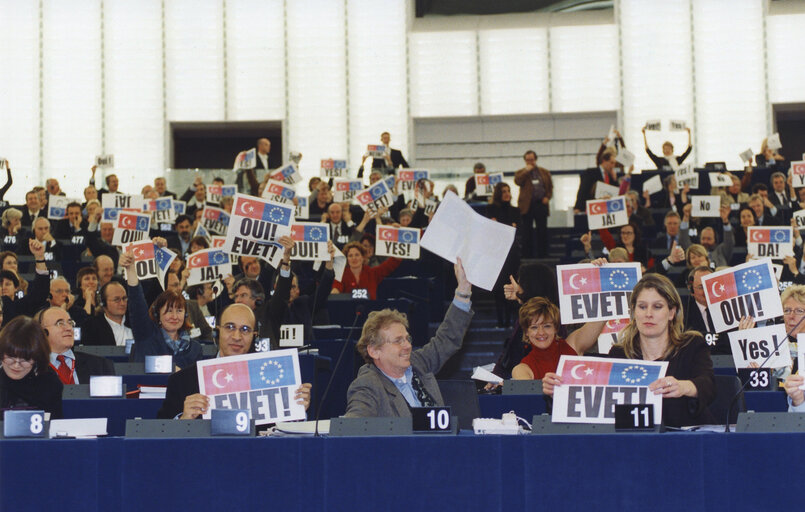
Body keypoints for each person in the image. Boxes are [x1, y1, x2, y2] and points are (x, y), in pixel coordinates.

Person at [543, 273, 716, 427]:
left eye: (657, 307)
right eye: (642, 307)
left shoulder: (692, 345)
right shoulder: (619, 355)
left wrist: (684, 387)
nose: (648, 314)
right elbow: (597, 406)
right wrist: (557, 392)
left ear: (672, 312)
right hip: (635, 446)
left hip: (687, 443)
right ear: (633, 312)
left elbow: (708, 386)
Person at [344, 258, 472, 417]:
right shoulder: (368, 385)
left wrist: (463, 292)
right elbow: (354, 425)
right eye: (398, 341)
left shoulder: (417, 363)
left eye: (407, 339)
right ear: (374, 351)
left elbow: (447, 339)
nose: (407, 346)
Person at [156, 303, 312, 420]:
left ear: (254, 336)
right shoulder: (182, 381)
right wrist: (184, 420)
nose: (237, 336)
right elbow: (162, 437)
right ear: (217, 331)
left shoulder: (274, 379)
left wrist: (298, 410)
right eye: (230, 327)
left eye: (245, 330)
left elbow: (287, 436)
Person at [120, 246, 203, 369]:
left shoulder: (195, 349)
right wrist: (131, 269)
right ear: (157, 314)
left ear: (185, 314)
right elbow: (137, 304)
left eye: (179, 310)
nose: (174, 316)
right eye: (169, 311)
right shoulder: (146, 335)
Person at [511, 297, 604, 380]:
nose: (541, 332)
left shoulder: (571, 346)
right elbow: (529, 397)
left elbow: (602, 314)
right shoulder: (521, 370)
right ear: (526, 332)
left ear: (555, 328)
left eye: (547, 326)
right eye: (534, 327)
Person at [231, 235, 295, 349]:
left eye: (243, 295)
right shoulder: (232, 319)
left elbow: (282, 291)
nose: (238, 300)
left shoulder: (268, 313)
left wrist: (285, 259)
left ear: (257, 300)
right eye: (236, 296)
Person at [0, 316, 63, 418]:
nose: (16, 365)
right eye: (10, 357)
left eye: (25, 359)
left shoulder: (49, 382)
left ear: (37, 358)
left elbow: (55, 426)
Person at [39, 307, 115, 384]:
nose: (69, 328)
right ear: (43, 332)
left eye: (70, 323)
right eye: (60, 323)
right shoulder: (33, 369)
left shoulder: (101, 366)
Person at [488, 182, 522, 327]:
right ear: (498, 194)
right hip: (496, 253)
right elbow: (492, 230)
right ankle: (501, 321)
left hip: (512, 255)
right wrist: (509, 226)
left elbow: (517, 230)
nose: (507, 194)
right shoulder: (491, 209)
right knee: (498, 289)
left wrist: (502, 226)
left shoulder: (515, 210)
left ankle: (510, 321)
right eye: (503, 191)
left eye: (508, 191)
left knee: (511, 286)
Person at [331, 241, 400, 300]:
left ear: (363, 257)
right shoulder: (340, 275)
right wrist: (334, 293)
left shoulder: (373, 273)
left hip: (371, 313)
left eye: (357, 255)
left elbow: (391, 264)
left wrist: (399, 234)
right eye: (350, 256)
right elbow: (336, 288)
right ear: (346, 259)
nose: (354, 258)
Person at [515, 150, 552, 258]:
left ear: (535, 159)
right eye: (528, 160)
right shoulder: (520, 172)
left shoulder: (544, 172)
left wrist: (547, 197)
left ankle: (543, 254)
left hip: (541, 204)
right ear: (525, 161)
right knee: (527, 231)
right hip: (527, 206)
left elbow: (549, 187)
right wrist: (526, 170)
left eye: (531, 160)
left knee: (542, 230)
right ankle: (527, 255)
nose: (530, 162)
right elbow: (517, 181)